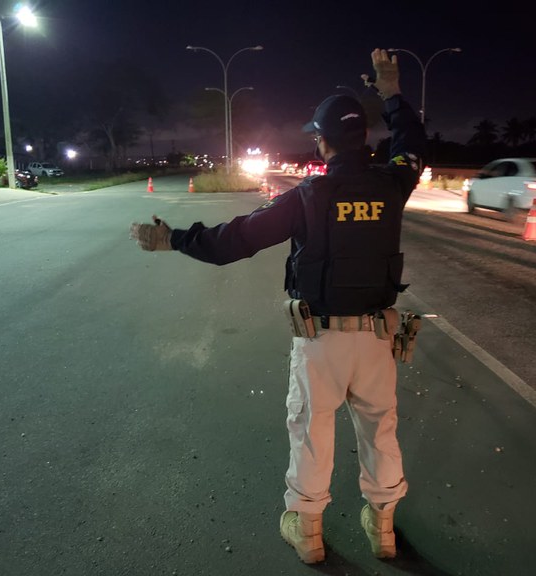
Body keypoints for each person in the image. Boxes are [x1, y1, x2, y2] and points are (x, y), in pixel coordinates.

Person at [130, 48, 426, 564]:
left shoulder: (308, 197)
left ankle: (308, 531)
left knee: (312, 429)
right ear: (364, 138)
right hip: (379, 340)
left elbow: (232, 242)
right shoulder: (393, 181)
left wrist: (171, 239)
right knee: (380, 428)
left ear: (322, 140)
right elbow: (413, 144)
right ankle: (382, 527)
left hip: (321, 341)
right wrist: (392, 91)